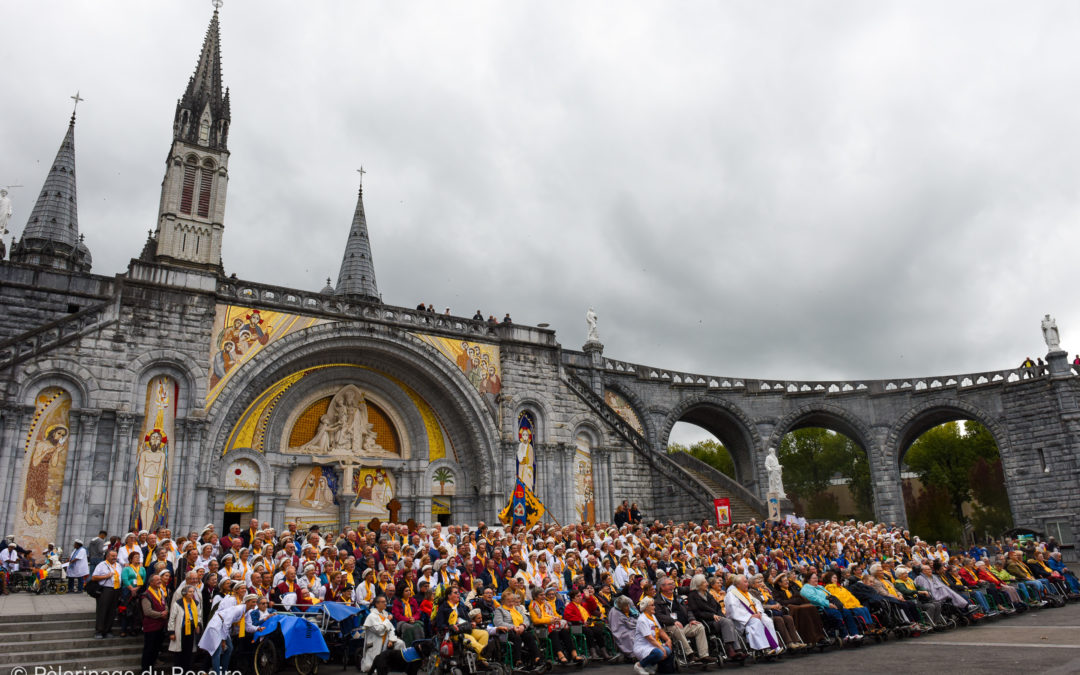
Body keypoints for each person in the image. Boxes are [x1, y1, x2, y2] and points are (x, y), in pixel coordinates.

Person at [199, 592, 256, 674]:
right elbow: (226, 623)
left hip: (223, 627)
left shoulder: (246, 612)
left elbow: (248, 627)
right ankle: (217, 672)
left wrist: (257, 628)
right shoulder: (239, 609)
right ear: (247, 602)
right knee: (217, 651)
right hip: (217, 625)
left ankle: (223, 671)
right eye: (253, 602)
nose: (254, 604)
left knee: (229, 648)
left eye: (255, 602)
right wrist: (223, 640)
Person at [725, 574, 782, 653]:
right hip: (742, 620)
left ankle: (775, 647)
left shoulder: (746, 593)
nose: (747, 584)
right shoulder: (731, 594)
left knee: (767, 621)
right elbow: (733, 610)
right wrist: (750, 616)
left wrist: (758, 612)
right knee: (756, 621)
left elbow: (757, 603)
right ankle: (764, 648)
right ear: (738, 584)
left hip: (755, 615)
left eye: (747, 582)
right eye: (745, 582)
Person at [494, 591, 543, 669]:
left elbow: (526, 619)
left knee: (529, 636)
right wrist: (513, 627)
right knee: (517, 638)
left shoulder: (517, 608)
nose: (511, 603)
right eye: (508, 601)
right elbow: (498, 622)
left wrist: (523, 626)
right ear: (503, 601)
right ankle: (518, 661)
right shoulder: (499, 610)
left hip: (520, 629)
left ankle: (537, 658)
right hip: (507, 632)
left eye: (512, 601)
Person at [362, 595, 403, 673]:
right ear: (377, 604)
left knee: (400, 643)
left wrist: (391, 640)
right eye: (383, 602)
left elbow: (391, 629)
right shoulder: (371, 616)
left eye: (385, 602)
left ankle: (398, 666)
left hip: (386, 641)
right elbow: (379, 630)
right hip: (375, 644)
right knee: (371, 668)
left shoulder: (385, 614)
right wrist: (387, 620)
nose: (385, 604)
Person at [632, 597, 673, 675]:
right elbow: (649, 638)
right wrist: (661, 648)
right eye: (652, 605)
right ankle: (639, 665)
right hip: (643, 646)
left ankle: (649, 665)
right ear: (646, 607)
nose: (654, 607)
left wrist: (668, 640)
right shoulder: (642, 620)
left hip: (652, 645)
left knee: (668, 650)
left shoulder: (652, 617)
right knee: (659, 653)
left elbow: (660, 630)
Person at [140, 573, 170, 670]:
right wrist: (161, 614)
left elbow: (164, 603)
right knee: (149, 649)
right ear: (151, 582)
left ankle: (151, 668)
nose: (159, 581)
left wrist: (166, 610)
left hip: (160, 626)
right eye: (157, 580)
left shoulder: (160, 592)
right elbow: (147, 611)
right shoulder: (146, 595)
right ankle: (145, 670)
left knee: (156, 649)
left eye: (159, 580)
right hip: (151, 626)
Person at [168, 584, 201, 670]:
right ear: (185, 593)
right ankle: (178, 670)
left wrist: (198, 625)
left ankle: (187, 669)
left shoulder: (196, 603)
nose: (192, 593)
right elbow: (172, 618)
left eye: (193, 592)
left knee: (189, 652)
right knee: (179, 652)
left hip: (191, 629)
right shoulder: (178, 603)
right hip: (181, 630)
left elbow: (199, 616)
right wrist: (171, 632)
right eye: (190, 592)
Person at [91, 549, 123, 639]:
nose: (114, 558)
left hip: (116, 590)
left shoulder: (118, 566)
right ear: (107, 556)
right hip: (106, 590)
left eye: (115, 556)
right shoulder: (102, 565)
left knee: (112, 611)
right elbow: (94, 577)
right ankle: (99, 631)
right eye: (113, 556)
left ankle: (108, 630)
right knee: (102, 610)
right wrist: (106, 576)